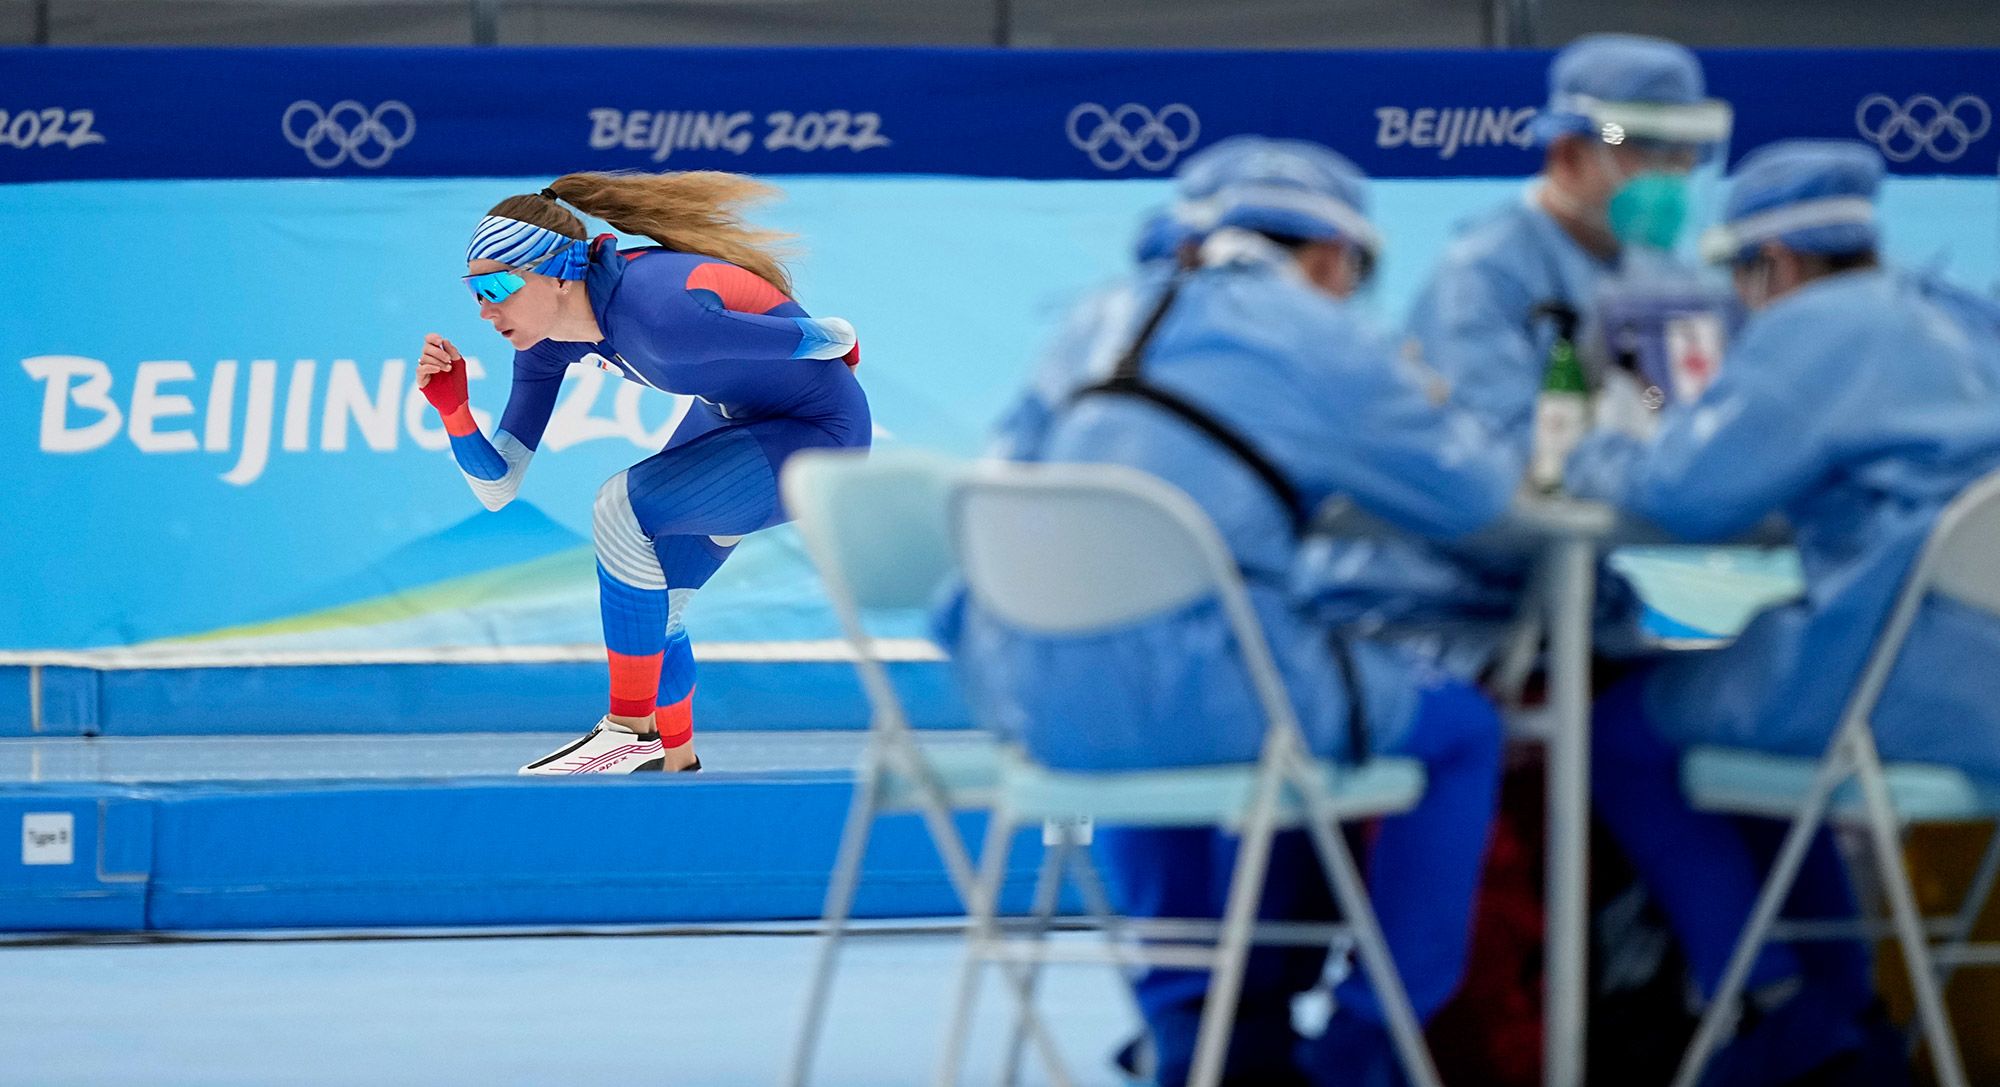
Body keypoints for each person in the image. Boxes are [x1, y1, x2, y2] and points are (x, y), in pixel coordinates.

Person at [939, 137, 1517, 1086]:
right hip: (1211, 691)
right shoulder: (1320, 335)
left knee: (1153, 678)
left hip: (1033, 702)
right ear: (1333, 256)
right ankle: (1364, 1045)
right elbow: (1477, 499)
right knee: (1459, 729)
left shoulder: (1089, 320)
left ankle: (1187, 1026)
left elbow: (1009, 488)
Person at [1567, 139, 2000, 1085]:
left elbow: (1683, 494)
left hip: (1894, 686)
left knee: (1622, 731)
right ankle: (1845, 1001)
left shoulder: (1819, 327)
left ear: (1779, 265)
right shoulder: (1969, 313)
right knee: (1749, 712)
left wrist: (1594, 448)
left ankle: (1771, 1006)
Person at [416, 171, 868, 775]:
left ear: (556, 273)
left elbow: (834, 336)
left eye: (498, 285)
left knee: (620, 508)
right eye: (474, 292)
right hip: (734, 419)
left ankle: (630, 727)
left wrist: (839, 344)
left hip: (819, 438)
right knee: (660, 610)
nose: (484, 309)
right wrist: (455, 412)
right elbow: (498, 487)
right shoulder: (548, 345)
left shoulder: (658, 312)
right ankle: (677, 769)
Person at [1405, 32, 1732, 460]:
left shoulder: (1669, 278)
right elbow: (1496, 443)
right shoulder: (1481, 277)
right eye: (1645, 150)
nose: (1671, 175)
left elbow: (1699, 414)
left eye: (1681, 155)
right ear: (1568, 156)